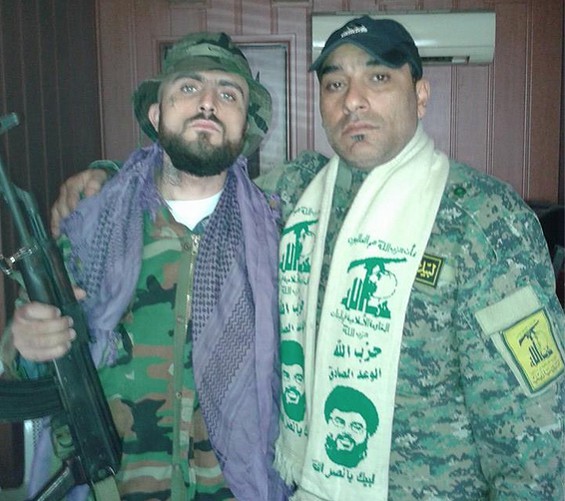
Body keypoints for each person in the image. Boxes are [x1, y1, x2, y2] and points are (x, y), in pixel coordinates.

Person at [48, 16, 564, 501]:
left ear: (421, 95)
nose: (353, 100)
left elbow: (537, 432)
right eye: (335, 84)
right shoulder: (294, 198)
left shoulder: (480, 220)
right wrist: (104, 180)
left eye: (378, 78)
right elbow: (195, 171)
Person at [1, 32, 288, 501]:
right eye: (188, 87)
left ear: (245, 127)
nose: (208, 103)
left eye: (228, 94)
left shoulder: (281, 234)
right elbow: (19, 361)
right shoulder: (89, 229)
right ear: (156, 116)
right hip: (111, 487)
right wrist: (25, 342)